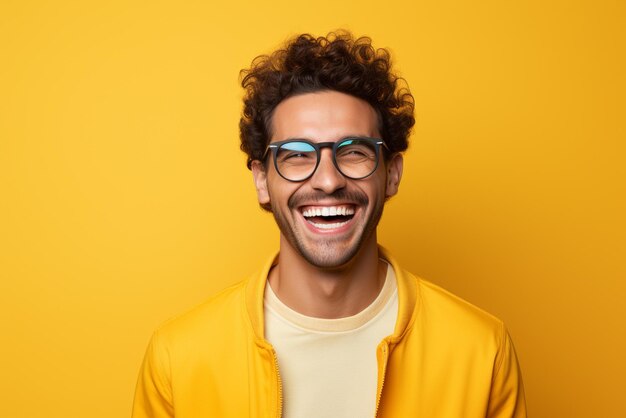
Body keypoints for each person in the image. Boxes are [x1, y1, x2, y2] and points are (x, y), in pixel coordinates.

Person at [132, 31, 526, 418]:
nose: (327, 180)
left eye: (353, 152)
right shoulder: (178, 358)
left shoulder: (481, 351)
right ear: (261, 180)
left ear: (391, 174)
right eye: (297, 155)